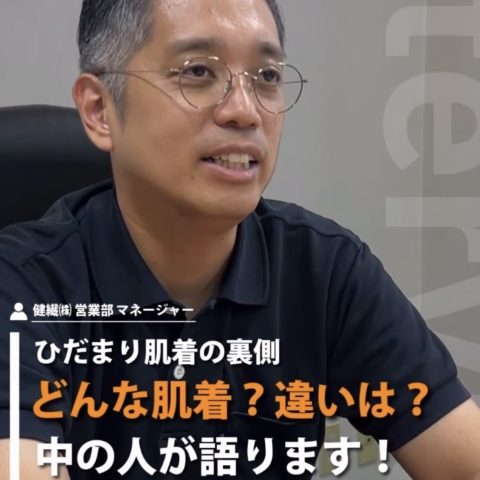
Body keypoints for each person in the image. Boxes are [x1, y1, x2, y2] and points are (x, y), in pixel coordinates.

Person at [1, 0, 479, 478]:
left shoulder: (325, 270)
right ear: (100, 109)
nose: (245, 111)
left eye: (267, 77)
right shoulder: (24, 289)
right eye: (198, 72)